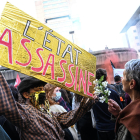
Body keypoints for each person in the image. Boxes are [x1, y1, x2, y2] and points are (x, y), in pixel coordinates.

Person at [0, 72, 97, 140]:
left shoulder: (45, 111)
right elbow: (9, 108)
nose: (42, 93)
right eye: (38, 90)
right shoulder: (25, 113)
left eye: (43, 89)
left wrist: (86, 103)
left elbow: (67, 118)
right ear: (26, 95)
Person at [108, 59, 140, 140]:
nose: (122, 79)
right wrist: (119, 113)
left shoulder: (135, 118)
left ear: (132, 83)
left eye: (124, 76)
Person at [93, 68, 123, 140]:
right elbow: (120, 109)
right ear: (106, 78)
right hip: (112, 127)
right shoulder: (113, 92)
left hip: (101, 128)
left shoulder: (93, 95)